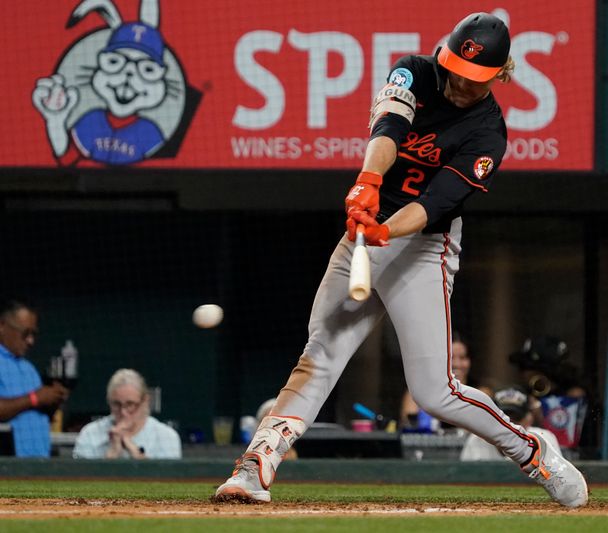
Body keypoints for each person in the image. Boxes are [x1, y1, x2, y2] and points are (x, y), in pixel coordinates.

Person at [213, 12, 587, 508]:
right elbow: (388, 129)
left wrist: (385, 227)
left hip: (424, 245)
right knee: (321, 351)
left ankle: (532, 449)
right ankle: (257, 464)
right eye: (454, 68)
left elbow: (435, 204)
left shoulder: (488, 134)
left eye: (472, 79)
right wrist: (367, 184)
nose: (457, 83)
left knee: (436, 392)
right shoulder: (414, 71)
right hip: (366, 229)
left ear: (499, 75)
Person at [0, 298, 70, 457]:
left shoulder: (28, 368)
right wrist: (35, 398)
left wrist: (53, 401)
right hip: (7, 467)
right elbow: (32, 400)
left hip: (39, 463)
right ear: (2, 325)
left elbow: (39, 412)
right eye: (25, 333)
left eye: (34, 334)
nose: (30, 341)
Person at [72, 368, 181, 459]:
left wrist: (133, 450)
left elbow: (167, 482)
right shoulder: (89, 434)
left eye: (130, 404)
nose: (123, 412)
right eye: (116, 404)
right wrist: (110, 457)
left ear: (145, 402)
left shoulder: (166, 436)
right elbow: (77, 481)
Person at [460, 386, 560, 461]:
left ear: (529, 419)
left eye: (516, 419)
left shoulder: (544, 439)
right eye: (502, 419)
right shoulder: (476, 440)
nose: (509, 425)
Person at [399, 332, 473, 431]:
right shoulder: (418, 392)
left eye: (462, 358)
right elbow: (409, 425)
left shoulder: (480, 390)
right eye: (450, 358)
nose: (456, 364)